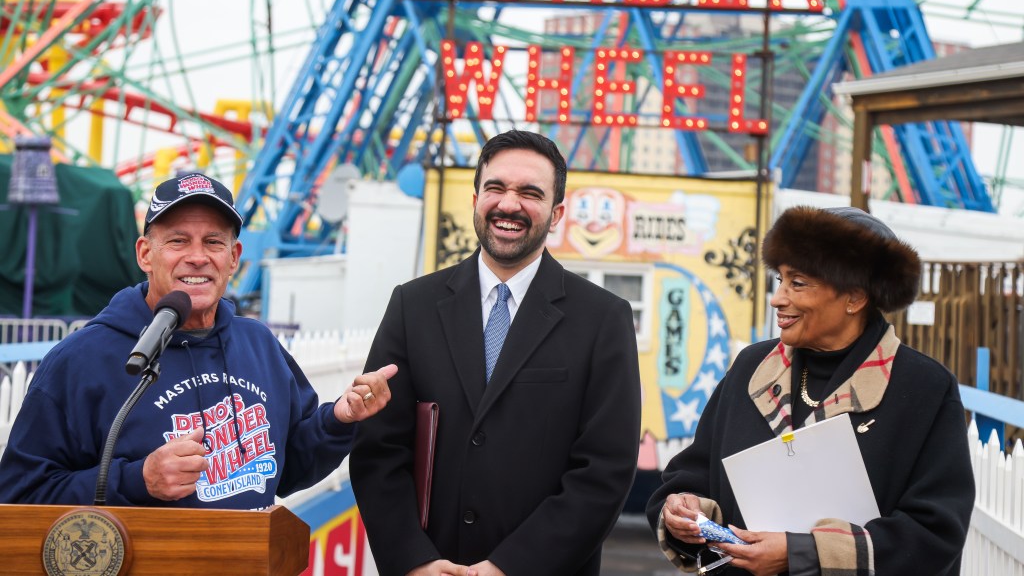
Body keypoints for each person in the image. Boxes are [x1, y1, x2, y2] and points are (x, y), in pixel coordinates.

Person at [0, 171, 397, 509]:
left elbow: (290, 467)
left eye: (213, 241)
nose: (197, 256)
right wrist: (138, 480)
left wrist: (338, 420)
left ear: (233, 257)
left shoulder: (258, 343)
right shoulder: (81, 359)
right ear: (145, 254)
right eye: (177, 241)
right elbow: (20, 494)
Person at [350, 130, 642, 576]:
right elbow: (378, 451)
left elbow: (604, 471)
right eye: (496, 188)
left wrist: (508, 567)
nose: (509, 205)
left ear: (556, 212)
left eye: (530, 193)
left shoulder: (603, 319)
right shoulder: (413, 306)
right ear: (475, 198)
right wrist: (415, 561)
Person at [647, 205, 974, 575]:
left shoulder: (923, 388)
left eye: (798, 283)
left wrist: (803, 553)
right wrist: (684, 511)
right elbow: (692, 475)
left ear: (855, 298)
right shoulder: (751, 369)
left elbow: (934, 534)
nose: (778, 298)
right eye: (780, 280)